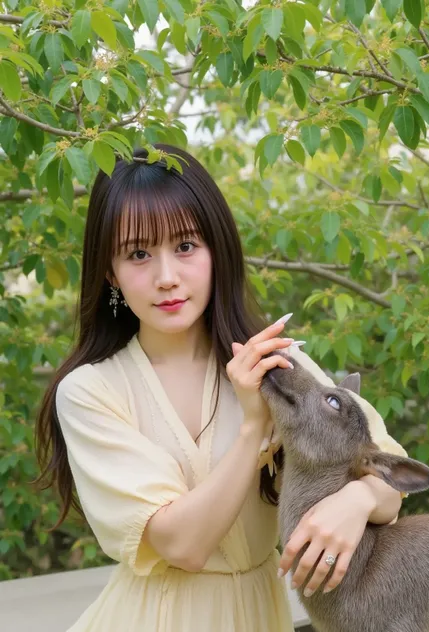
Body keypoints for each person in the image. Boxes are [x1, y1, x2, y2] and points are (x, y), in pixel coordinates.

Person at [35, 143, 407, 632]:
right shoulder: (90, 391)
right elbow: (183, 546)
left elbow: (387, 476)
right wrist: (254, 425)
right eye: (139, 253)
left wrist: (355, 502)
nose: (167, 278)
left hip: (258, 614)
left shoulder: (280, 364)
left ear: (216, 249)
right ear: (110, 272)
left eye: (186, 246)